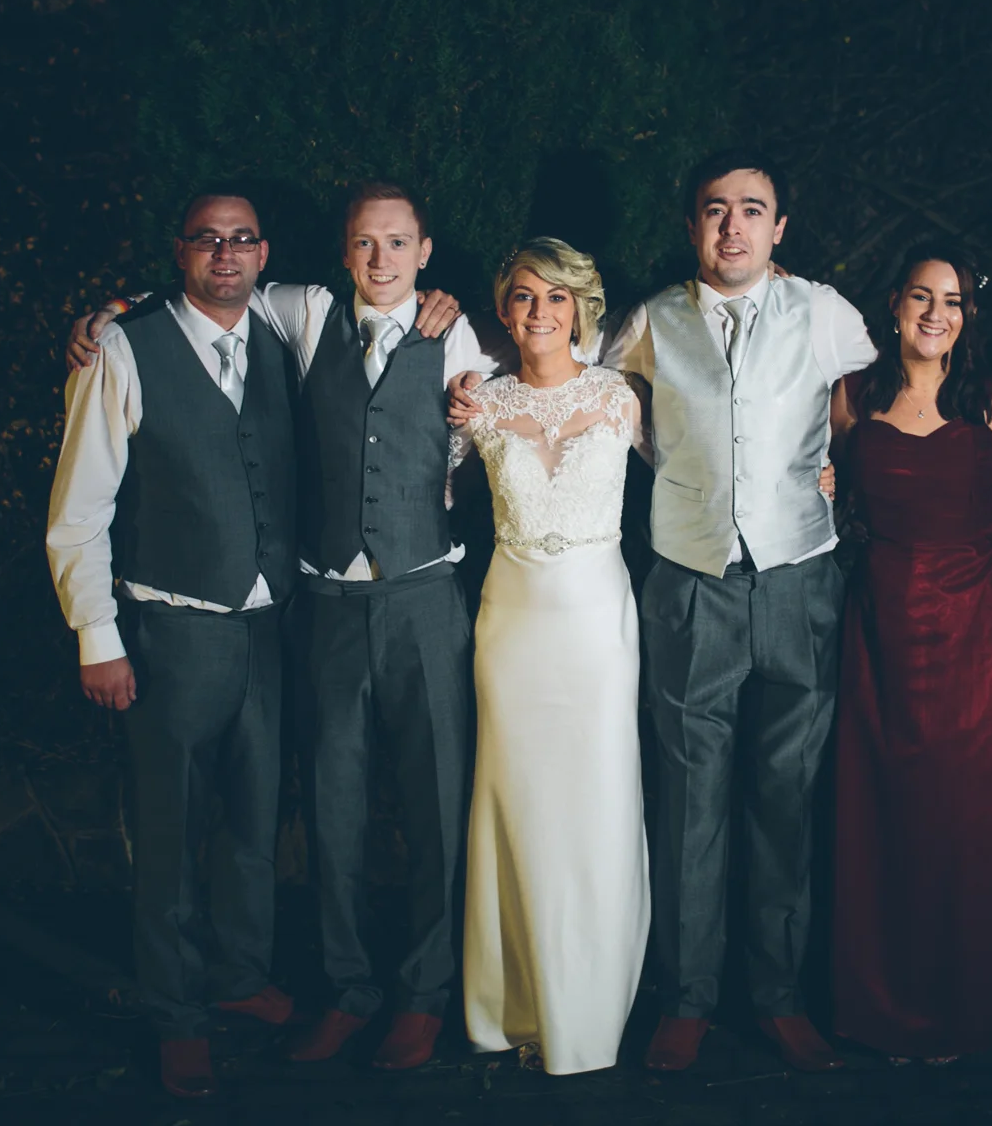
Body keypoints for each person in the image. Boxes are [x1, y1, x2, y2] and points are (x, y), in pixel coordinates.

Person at [454, 151, 876, 1072]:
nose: (733, 225)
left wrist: (848, 474)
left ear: (779, 227)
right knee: (688, 800)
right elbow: (554, 382)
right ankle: (685, 999)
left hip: (801, 574)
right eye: (715, 210)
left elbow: (867, 413)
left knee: (785, 797)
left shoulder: (829, 315)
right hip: (686, 582)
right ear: (692, 226)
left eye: (752, 210)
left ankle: (777, 998)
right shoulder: (649, 322)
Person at [69, 181, 498, 1071]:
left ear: (425, 251)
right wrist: (108, 312)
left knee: (435, 808)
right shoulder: (296, 315)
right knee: (331, 814)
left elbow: (495, 425)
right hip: (322, 607)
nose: (379, 259)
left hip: (422, 599)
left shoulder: (457, 333)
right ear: (340, 252)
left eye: (397, 243)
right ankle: (345, 989)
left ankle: (423, 996)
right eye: (362, 243)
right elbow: (199, 299)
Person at [44, 191, 301, 1098]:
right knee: (168, 829)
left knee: (251, 820)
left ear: (263, 252)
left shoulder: (280, 329)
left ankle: (237, 978)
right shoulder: (122, 346)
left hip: (267, 629)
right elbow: (79, 511)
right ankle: (174, 1011)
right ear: (180, 251)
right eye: (207, 239)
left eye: (240, 239)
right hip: (170, 628)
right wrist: (97, 638)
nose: (224, 254)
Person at [826, 246, 992, 1066]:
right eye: (921, 296)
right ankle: (891, 1005)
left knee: (972, 816)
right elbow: (824, 492)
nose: (934, 313)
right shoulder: (850, 399)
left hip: (980, 636)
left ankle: (974, 1002)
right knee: (889, 814)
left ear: (965, 318)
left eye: (951, 301)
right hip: (882, 630)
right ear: (894, 306)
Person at [452, 239, 650, 1075]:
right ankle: (515, 1001)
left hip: (598, 626)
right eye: (525, 298)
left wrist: (819, 471)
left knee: (598, 803)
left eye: (557, 298)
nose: (540, 313)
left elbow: (710, 468)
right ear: (504, 312)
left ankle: (592, 1009)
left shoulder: (622, 399)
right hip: (512, 629)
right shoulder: (478, 405)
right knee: (517, 803)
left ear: (580, 308)